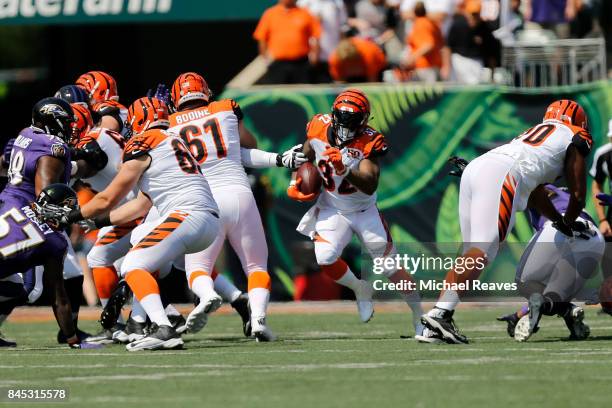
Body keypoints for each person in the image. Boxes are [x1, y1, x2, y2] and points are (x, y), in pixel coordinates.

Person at [45, 97, 221, 351]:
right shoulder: (173, 142)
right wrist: (96, 221)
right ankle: (145, 321)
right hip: (203, 219)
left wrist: (70, 215)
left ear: (140, 121)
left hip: (187, 215)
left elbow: (107, 198)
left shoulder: (144, 142)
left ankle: (162, 328)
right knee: (136, 255)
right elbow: (139, 206)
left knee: (133, 264)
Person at [419, 99, 592, 344]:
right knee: (483, 250)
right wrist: (570, 221)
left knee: (470, 249)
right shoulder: (575, 136)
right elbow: (577, 195)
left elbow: (536, 193)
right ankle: (440, 314)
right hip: (502, 173)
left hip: (479, 166)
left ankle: (437, 320)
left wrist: (559, 220)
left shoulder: (537, 135)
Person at [167, 72, 307, 341]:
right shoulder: (226, 108)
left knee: (197, 268)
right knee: (256, 267)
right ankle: (258, 321)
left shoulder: (169, 126)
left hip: (204, 201)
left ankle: (207, 295)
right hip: (240, 194)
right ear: (205, 93)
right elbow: (245, 148)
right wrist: (279, 159)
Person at [287, 88, 424, 337]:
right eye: (343, 119)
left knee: (390, 267)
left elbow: (370, 182)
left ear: (363, 121)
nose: (347, 127)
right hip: (332, 207)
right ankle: (360, 288)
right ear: (334, 115)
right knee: (326, 258)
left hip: (364, 210)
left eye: (353, 122)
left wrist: (344, 170)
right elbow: (305, 153)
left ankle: (420, 318)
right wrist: (294, 178)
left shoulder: (370, 140)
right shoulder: (318, 126)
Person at [0, 97, 99, 349]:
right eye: (66, 122)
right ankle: (71, 334)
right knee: (29, 289)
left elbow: (5, 162)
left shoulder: (25, 134)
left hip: (7, 204)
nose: (70, 128)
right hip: (26, 217)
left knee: (13, 286)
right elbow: (45, 194)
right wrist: (71, 216)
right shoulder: (54, 147)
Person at [489, 183, 603, 341]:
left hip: (559, 228)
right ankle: (569, 313)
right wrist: (518, 314)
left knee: (525, 283)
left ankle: (566, 310)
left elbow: (511, 188)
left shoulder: (535, 186)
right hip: (594, 239)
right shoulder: (570, 196)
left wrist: (484, 182)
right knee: (552, 299)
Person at [254, 0, 322, 84]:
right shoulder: (270, 14)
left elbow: (315, 36)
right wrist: (266, 59)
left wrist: (315, 57)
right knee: (278, 94)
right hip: (277, 65)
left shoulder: (305, 13)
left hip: (301, 65)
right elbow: (262, 38)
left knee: (301, 94)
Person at [589, 118, 612, 313]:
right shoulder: (604, 155)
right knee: (608, 257)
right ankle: (609, 300)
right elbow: (596, 183)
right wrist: (603, 219)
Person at [298, 0, 349, 82]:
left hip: (332, 56)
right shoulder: (303, 3)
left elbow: (342, 29)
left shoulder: (338, 3)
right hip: (309, 58)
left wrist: (341, 53)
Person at [403, 2, 449, 82]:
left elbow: (428, 45)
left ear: (414, 12)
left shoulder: (421, 23)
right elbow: (443, 46)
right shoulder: (431, 23)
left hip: (425, 68)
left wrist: (410, 59)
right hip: (433, 67)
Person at [76, 71, 130, 137]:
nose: (80, 98)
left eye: (85, 94)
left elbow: (96, 140)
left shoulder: (109, 112)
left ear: (101, 93)